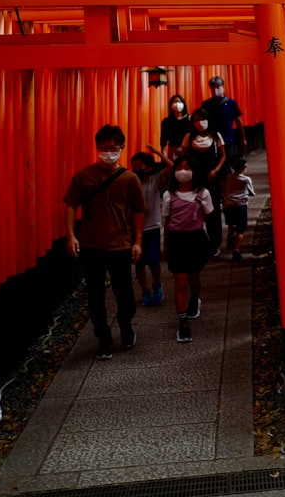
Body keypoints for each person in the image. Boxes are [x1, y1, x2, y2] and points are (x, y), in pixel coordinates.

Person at [64, 124, 146, 360]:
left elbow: (138, 211)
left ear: (122, 148)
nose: (108, 152)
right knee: (95, 295)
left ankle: (125, 324)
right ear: (97, 148)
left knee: (125, 294)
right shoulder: (84, 177)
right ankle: (104, 338)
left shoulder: (130, 179)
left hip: (120, 244)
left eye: (113, 147)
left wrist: (138, 242)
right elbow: (71, 206)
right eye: (104, 147)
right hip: (91, 245)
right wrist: (71, 235)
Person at [162, 155, 214, 343]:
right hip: (177, 240)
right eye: (179, 168)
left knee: (194, 277)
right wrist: (165, 246)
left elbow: (207, 215)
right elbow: (167, 221)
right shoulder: (168, 195)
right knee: (180, 281)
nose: (183, 172)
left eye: (187, 168)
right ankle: (183, 322)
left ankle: (195, 299)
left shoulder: (203, 194)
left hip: (196, 239)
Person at [131, 149, 171, 307]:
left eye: (139, 165)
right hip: (134, 229)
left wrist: (159, 154)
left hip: (152, 226)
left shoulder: (155, 180)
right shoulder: (130, 181)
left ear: (148, 167)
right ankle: (145, 290)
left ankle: (156, 284)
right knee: (139, 263)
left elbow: (173, 168)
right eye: (133, 165)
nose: (136, 169)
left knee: (154, 260)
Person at [185, 108, 227, 254]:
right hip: (196, 179)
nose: (201, 123)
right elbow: (184, 158)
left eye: (203, 119)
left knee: (213, 210)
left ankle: (215, 243)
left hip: (212, 178)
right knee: (195, 210)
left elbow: (223, 156)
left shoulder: (216, 136)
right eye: (197, 120)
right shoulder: (189, 137)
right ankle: (198, 243)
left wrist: (216, 170)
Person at [200, 75, 247, 160]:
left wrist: (243, 138)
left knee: (226, 162)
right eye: (213, 88)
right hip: (211, 140)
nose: (215, 90)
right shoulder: (206, 104)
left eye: (218, 87)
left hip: (227, 139)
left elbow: (238, 121)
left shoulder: (231, 103)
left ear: (223, 87)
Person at [222, 157, 255, 262]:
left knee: (231, 223)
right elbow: (251, 192)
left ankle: (231, 232)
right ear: (244, 167)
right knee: (241, 230)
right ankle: (236, 250)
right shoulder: (246, 179)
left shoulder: (229, 177)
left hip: (228, 204)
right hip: (240, 205)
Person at [159, 94, 191, 161]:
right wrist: (163, 151)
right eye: (174, 102)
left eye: (179, 101)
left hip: (188, 149)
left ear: (183, 104)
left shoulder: (190, 119)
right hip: (173, 150)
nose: (177, 104)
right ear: (171, 105)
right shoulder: (166, 121)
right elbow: (163, 138)